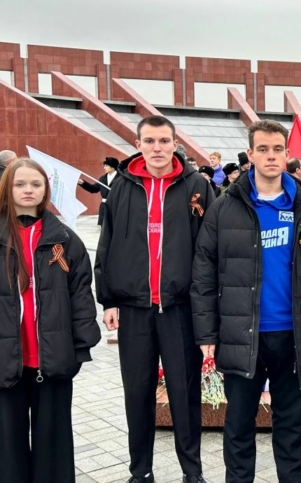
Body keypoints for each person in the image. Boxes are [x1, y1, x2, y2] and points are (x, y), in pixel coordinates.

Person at [192, 119, 301, 483]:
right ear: (250, 154)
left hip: (292, 335)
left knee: (291, 424)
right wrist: (206, 333)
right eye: (263, 149)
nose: (271, 156)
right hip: (241, 335)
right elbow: (204, 274)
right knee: (239, 424)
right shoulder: (224, 208)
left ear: (287, 154)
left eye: (278, 149)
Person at [95, 115, 215, 483]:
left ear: (175, 144)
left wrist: (208, 305)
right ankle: (140, 471)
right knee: (137, 392)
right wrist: (108, 299)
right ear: (138, 144)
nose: (157, 148)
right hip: (134, 308)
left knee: (184, 393)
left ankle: (192, 471)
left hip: (180, 308)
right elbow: (106, 243)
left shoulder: (197, 185)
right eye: (150, 141)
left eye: (164, 141)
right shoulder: (122, 186)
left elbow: (211, 248)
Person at [0, 159, 101, 483]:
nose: (28, 190)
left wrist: (80, 348)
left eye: (36, 184)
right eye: (19, 184)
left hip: (53, 359)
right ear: (6, 188)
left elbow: (81, 296)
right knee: (7, 446)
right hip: (5, 361)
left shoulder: (65, 240)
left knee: (53, 444)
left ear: (46, 189)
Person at [77, 156, 120, 225]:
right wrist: (82, 182)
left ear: (113, 166)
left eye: (106, 166)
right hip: (104, 207)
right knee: (103, 227)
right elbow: (93, 189)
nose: (104, 168)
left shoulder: (121, 178)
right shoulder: (102, 179)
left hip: (117, 206)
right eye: (104, 165)